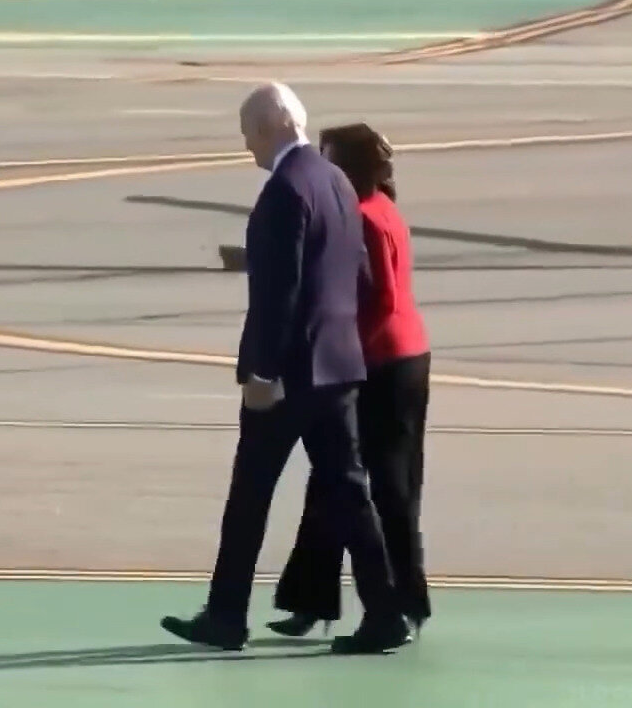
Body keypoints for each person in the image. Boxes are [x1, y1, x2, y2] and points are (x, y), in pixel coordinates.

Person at [159, 84, 413, 655]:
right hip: (338, 366)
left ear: (270, 127)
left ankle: (226, 616)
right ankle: (384, 612)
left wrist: (263, 373)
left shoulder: (283, 191)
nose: (246, 145)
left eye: (248, 133)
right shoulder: (336, 182)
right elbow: (361, 276)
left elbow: (279, 293)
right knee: (350, 493)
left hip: (290, 374)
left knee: (249, 495)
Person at [267, 122, 433, 640]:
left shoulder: (363, 219)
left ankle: (396, 604)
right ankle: (314, 597)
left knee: (377, 489)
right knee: (339, 481)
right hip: (395, 359)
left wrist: (338, 352)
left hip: (381, 367)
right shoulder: (379, 209)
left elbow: (375, 301)